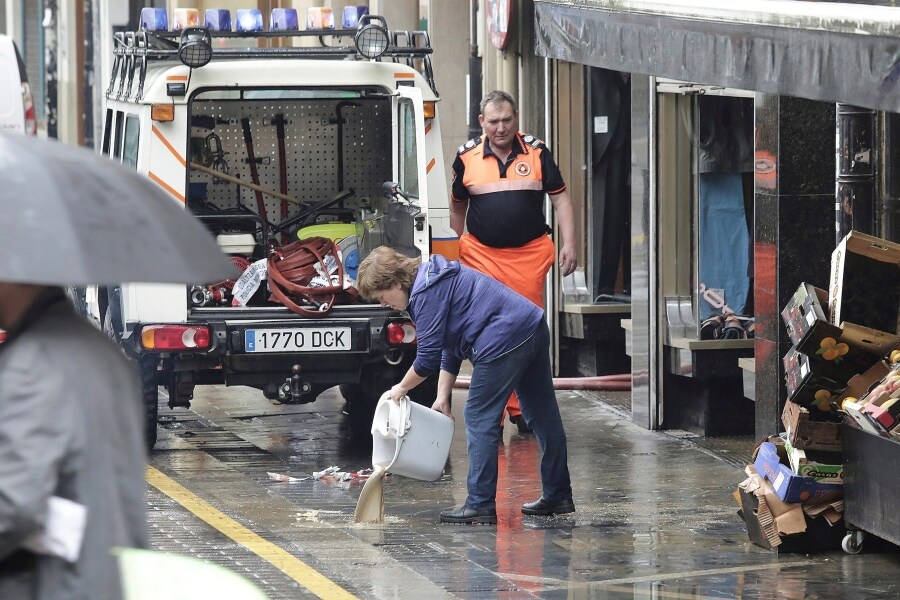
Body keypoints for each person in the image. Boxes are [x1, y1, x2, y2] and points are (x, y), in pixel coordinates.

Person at [356, 247, 574, 525]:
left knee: (479, 416)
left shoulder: (424, 293)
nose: (383, 304)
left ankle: (480, 504)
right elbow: (450, 344)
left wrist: (401, 388)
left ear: (396, 282)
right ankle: (558, 494)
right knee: (543, 415)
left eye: (382, 297)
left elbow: (427, 359)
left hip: (503, 339)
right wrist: (442, 395)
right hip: (530, 326)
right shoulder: (433, 278)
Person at [0, 283, 148, 598]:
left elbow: (12, 507)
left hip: (52, 585)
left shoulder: (31, 361)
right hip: (107, 581)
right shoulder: (99, 350)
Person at [450, 90, 577, 433]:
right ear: (482, 123)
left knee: (525, 330)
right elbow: (457, 207)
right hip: (481, 257)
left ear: (516, 118)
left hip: (529, 257)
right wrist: (453, 253)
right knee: (487, 330)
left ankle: (523, 409)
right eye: (493, 122)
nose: (501, 128)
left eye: (507, 120)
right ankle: (496, 405)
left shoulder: (537, 151)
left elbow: (561, 199)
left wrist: (570, 243)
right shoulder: (466, 157)